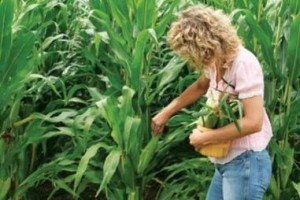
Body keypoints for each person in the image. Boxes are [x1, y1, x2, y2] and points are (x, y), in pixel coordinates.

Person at [151, 4, 272, 200]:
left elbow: (253, 122)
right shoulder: (215, 61)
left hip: (245, 163)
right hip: (227, 161)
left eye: (194, 53)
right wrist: (167, 111)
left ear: (208, 44)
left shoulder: (243, 64)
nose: (194, 60)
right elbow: (200, 86)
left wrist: (207, 137)